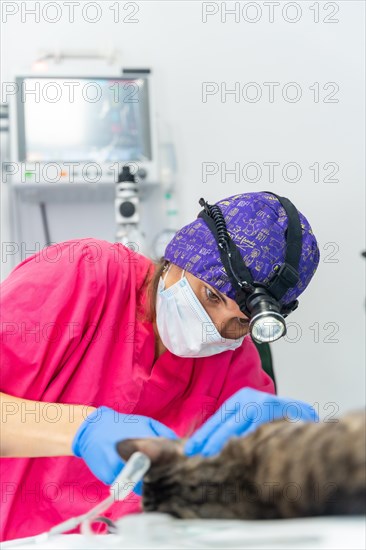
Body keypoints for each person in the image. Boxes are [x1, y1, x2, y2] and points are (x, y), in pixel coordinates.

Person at [0, 191, 320, 540]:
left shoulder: (233, 363)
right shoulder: (84, 275)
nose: (214, 327)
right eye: (211, 296)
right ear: (181, 256)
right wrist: (81, 430)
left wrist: (297, 449)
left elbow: (262, 494)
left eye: (240, 322)